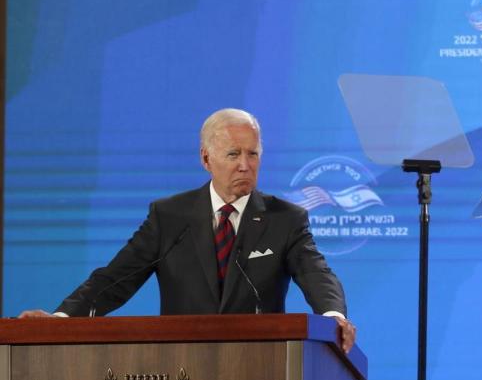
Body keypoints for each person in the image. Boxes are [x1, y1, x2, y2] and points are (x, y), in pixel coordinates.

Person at [18, 108, 357, 351]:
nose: (245, 165)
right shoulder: (170, 217)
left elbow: (316, 273)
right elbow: (115, 279)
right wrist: (61, 318)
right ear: (206, 159)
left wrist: (334, 316)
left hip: (260, 363)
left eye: (253, 154)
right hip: (181, 364)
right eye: (233, 154)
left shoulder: (285, 218)